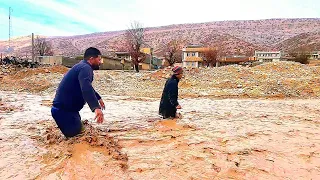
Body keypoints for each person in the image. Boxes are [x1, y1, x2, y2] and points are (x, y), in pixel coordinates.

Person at [51, 47, 105, 137]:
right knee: (79, 137)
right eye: (99, 60)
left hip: (68, 111)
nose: (100, 62)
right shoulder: (86, 68)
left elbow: (85, 86)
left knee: (80, 131)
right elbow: (86, 87)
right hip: (64, 112)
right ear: (91, 59)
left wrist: (98, 97)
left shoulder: (81, 66)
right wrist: (96, 108)